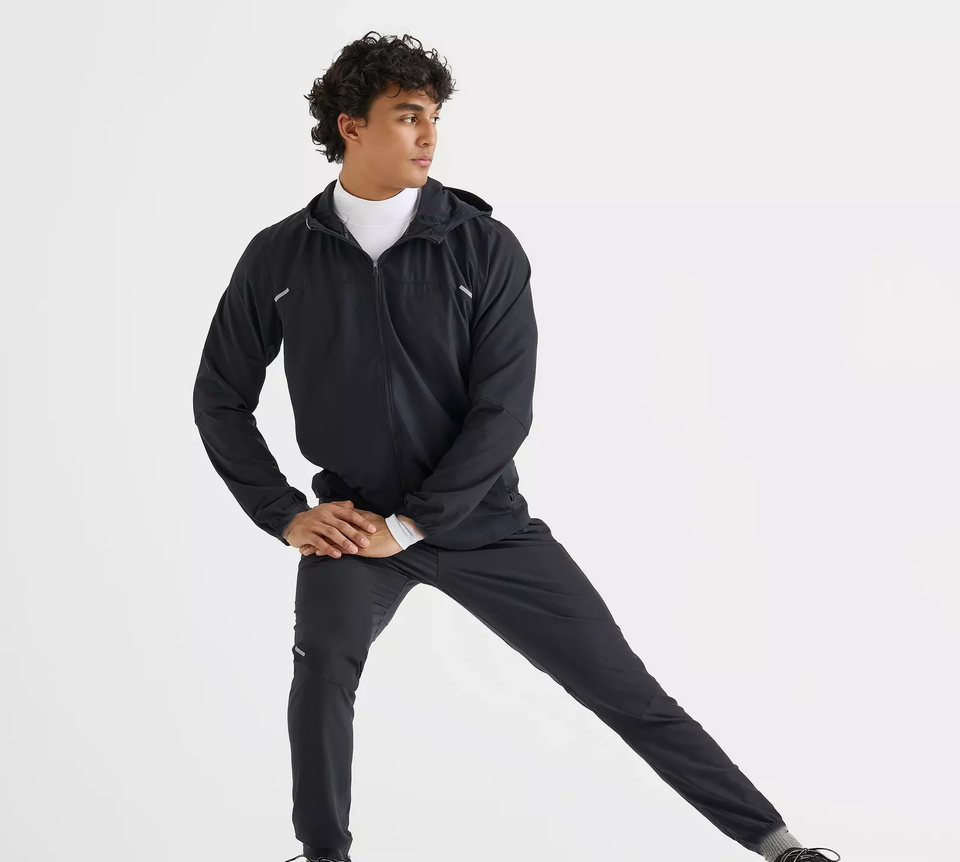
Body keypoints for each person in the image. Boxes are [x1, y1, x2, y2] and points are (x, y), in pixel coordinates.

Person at [192, 31, 841, 862]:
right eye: (408, 116)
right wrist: (285, 514)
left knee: (621, 687)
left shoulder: (482, 247)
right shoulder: (279, 256)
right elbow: (219, 397)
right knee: (321, 670)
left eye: (435, 117)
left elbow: (503, 410)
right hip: (353, 522)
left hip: (483, 523)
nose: (429, 135)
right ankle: (323, 857)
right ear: (351, 126)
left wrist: (415, 525)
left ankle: (781, 846)